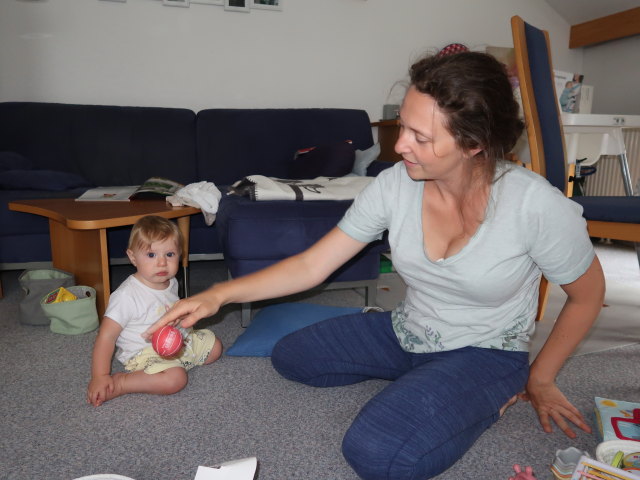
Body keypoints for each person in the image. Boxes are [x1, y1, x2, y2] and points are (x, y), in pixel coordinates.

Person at [145, 52, 605, 479]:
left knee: (377, 453)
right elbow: (311, 265)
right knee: (292, 356)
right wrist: (215, 294)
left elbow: (588, 296)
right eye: (402, 125)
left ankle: (485, 397)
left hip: (484, 351)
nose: (400, 144)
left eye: (420, 136)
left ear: (474, 144)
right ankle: (430, 381)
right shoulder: (394, 185)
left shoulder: (535, 207)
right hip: (408, 328)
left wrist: (540, 377)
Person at [87, 215, 222, 407]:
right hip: (145, 351)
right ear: (133, 257)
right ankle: (124, 382)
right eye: (151, 255)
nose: (162, 263)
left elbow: (169, 310)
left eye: (169, 254)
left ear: (180, 254)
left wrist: (183, 318)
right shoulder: (126, 296)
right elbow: (106, 337)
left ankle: (177, 362)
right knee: (175, 380)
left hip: (178, 340)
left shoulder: (171, 282)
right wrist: (100, 375)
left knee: (215, 347)